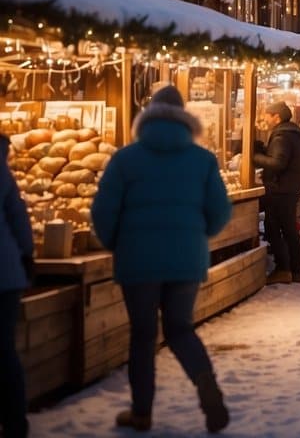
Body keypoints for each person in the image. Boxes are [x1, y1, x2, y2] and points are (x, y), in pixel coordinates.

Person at [90, 86, 231, 433]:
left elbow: (103, 211)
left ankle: (142, 412)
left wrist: (116, 243)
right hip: (186, 260)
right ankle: (206, 385)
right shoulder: (203, 159)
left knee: (142, 335)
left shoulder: (126, 158)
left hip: (137, 261)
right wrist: (196, 237)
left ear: (148, 115)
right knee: (180, 329)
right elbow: (220, 212)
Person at [252, 101, 300, 285]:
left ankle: (284, 268)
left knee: (275, 228)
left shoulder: (281, 136)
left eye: (268, 115)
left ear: (276, 116)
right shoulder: (294, 134)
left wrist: (253, 157)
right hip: (290, 188)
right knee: (288, 228)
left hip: (280, 189)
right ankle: (295, 269)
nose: (265, 119)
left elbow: (278, 163)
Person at [1, 133, 34, 438]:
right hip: (7, 271)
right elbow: (18, 216)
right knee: (5, 350)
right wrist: (26, 255)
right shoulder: (2, 169)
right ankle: (14, 422)